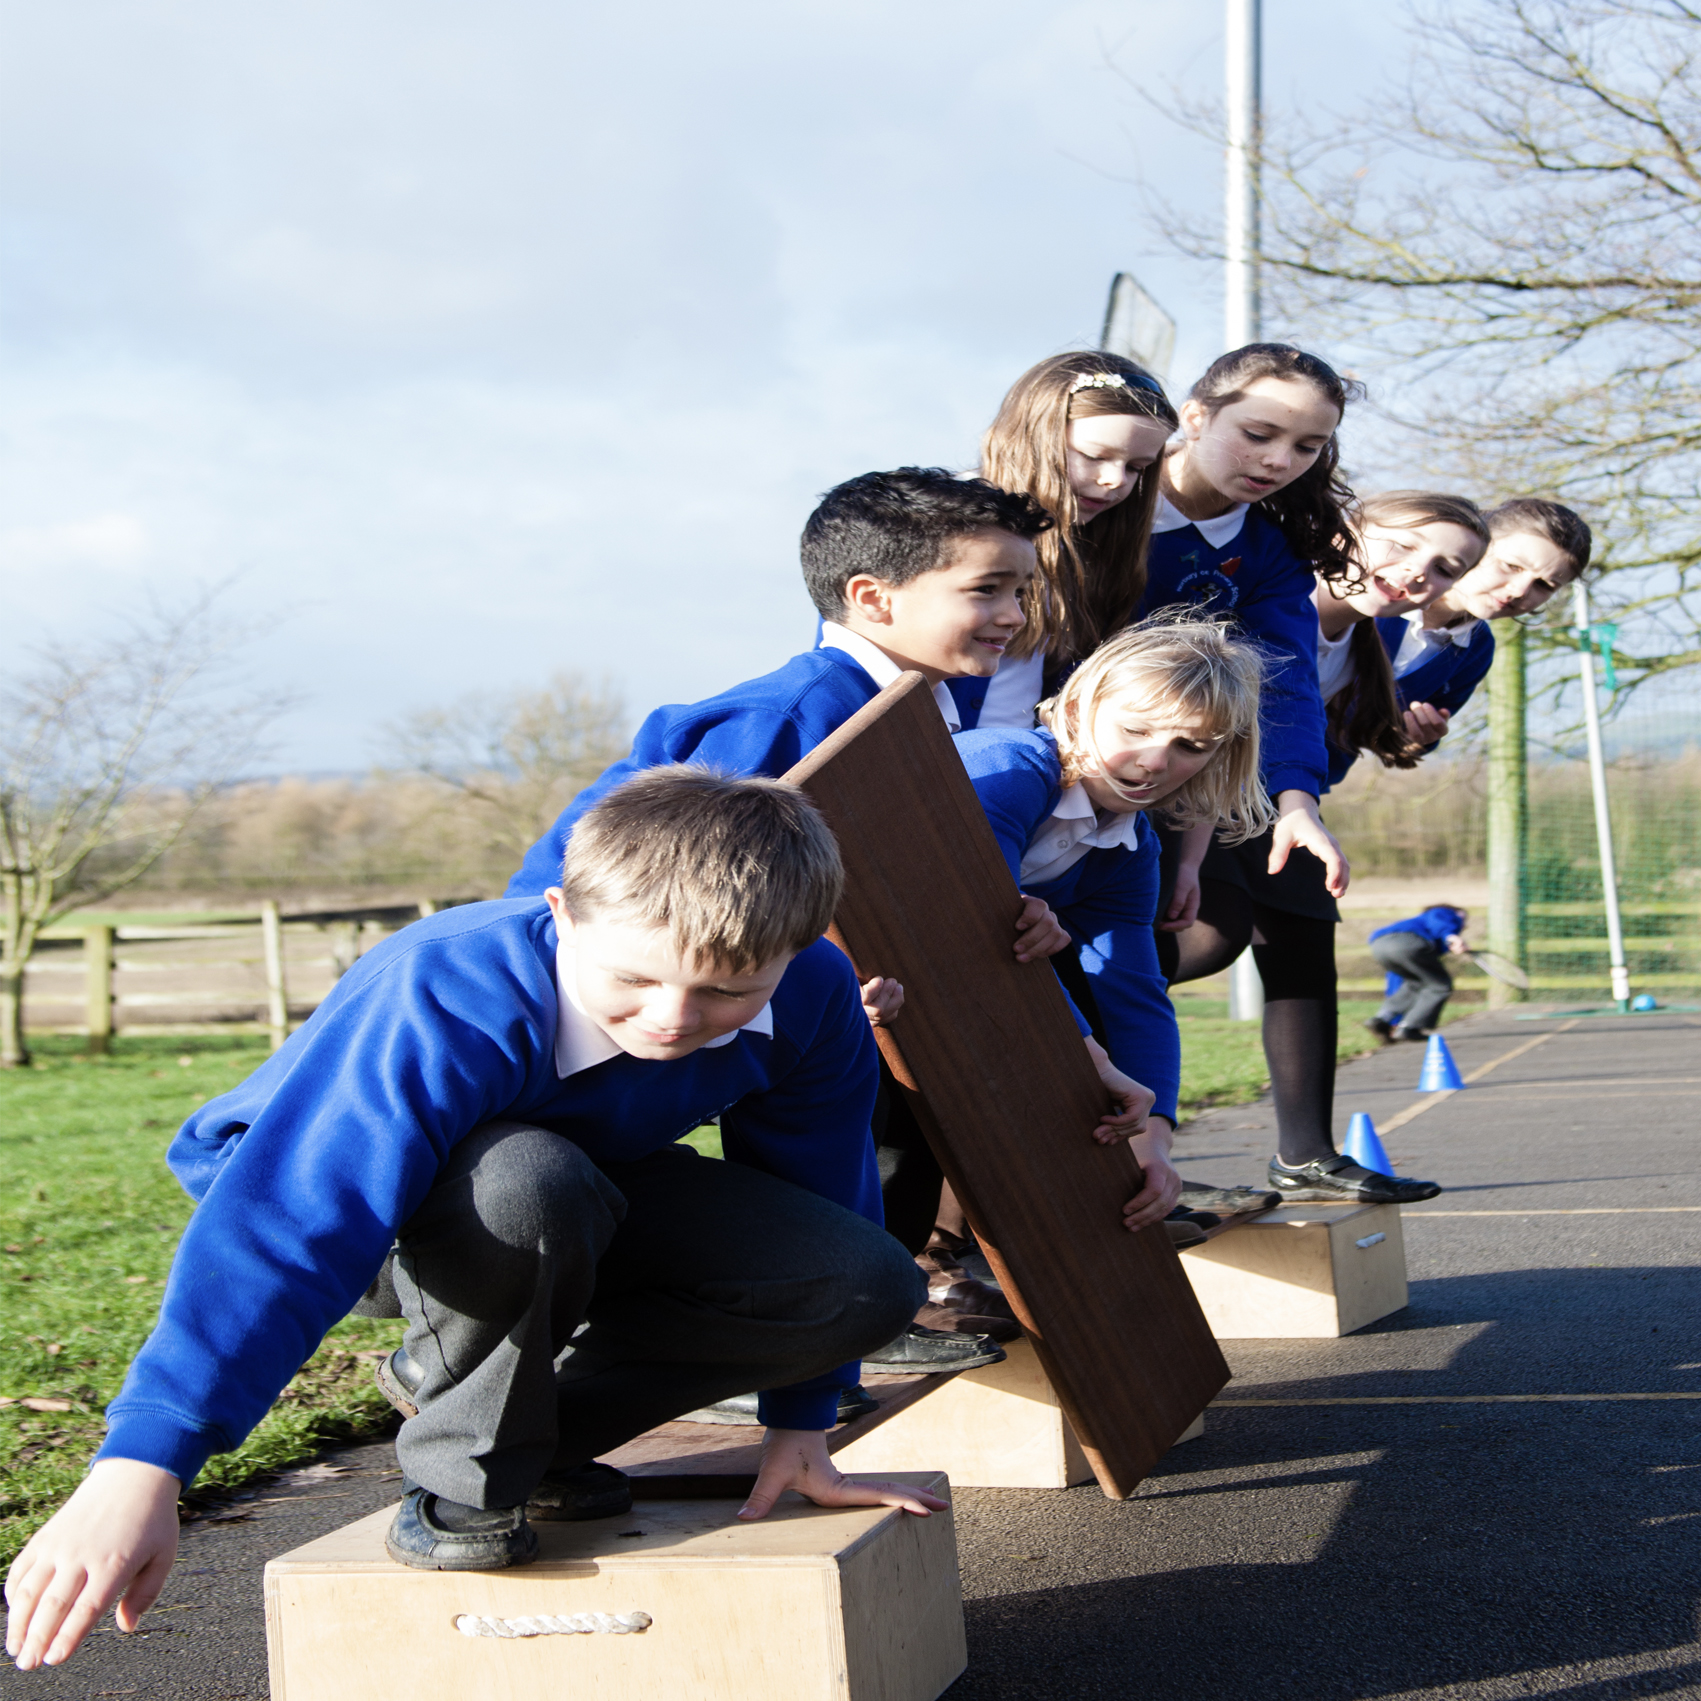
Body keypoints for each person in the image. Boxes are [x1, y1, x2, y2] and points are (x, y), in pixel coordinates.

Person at [6, 769, 949, 1671]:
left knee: (861, 1281)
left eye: (727, 993)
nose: (672, 1018)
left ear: (795, 949)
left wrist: (801, 1422)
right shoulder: (446, 990)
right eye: (634, 978)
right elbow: (289, 1227)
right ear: (563, 913)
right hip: (329, 1193)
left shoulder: (814, 989)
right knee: (524, 1182)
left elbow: (820, 1184)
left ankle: (526, 1437)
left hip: (582, 1176)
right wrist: (143, 1465)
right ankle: (464, 1480)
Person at [500, 466, 1167, 1370]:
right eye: (987, 589)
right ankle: (747, 1346)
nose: (1015, 615)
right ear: (872, 597)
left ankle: (835, 1329)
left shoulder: (913, 712)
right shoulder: (793, 714)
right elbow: (675, 895)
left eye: (1021, 589)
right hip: (584, 1030)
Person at [945, 618, 1274, 1260]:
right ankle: (938, 1249)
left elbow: (1134, 995)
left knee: (1084, 1032)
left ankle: (1063, 1221)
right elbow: (967, 930)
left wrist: (1153, 1142)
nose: (1156, 761)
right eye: (1136, 730)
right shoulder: (1006, 767)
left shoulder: (1129, 848)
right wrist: (1092, 1059)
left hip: (941, 986)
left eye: (1190, 745)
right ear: (1076, 709)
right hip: (829, 974)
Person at [1251, 490, 1491, 1202]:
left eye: (1443, 569)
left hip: (1275, 800)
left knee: (1303, 944)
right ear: (1348, 527)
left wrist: (1405, 737)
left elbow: (1355, 735)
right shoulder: (1274, 595)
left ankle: (1304, 1156)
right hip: (1181, 796)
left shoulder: (1374, 639)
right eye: (1402, 546)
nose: (1418, 573)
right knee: (1193, 946)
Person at [1368, 906, 1471, 1040]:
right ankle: (1410, 1027)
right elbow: (1440, 922)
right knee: (1440, 985)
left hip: (1379, 946)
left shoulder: (1420, 923)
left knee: (1414, 983)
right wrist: (1450, 936)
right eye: (1463, 919)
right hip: (1408, 942)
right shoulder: (1443, 912)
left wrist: (1394, 1020)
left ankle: (1382, 1019)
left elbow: (1396, 980)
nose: (1464, 925)